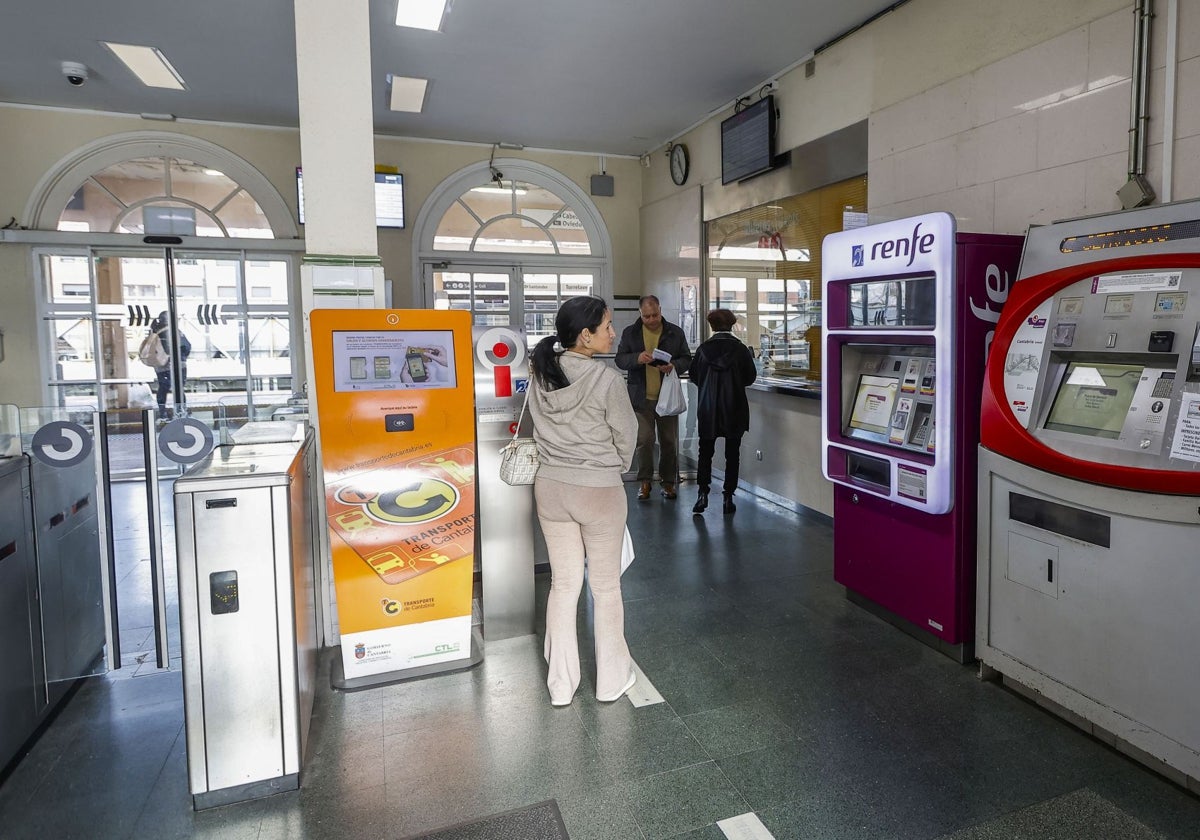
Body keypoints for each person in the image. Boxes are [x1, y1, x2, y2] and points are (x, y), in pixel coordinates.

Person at [528, 295, 638, 707]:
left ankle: (561, 686)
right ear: (585, 335)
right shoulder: (607, 380)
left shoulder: (540, 374)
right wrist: (611, 467)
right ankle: (611, 682)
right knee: (606, 588)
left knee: (564, 584)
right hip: (598, 491)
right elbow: (627, 437)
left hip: (550, 489)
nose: (613, 333)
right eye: (607, 326)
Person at [615, 294, 692, 500]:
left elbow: (687, 358)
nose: (651, 320)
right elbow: (620, 360)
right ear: (640, 314)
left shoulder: (675, 332)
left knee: (668, 441)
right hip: (641, 397)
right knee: (644, 440)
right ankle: (645, 482)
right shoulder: (630, 333)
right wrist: (637, 358)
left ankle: (668, 483)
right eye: (646, 316)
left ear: (660, 310)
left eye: (654, 315)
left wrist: (674, 366)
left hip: (667, 398)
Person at [689, 309, 757, 516]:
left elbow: (694, 376)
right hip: (734, 406)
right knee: (732, 454)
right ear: (732, 325)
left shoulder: (703, 350)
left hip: (708, 407)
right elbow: (750, 377)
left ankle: (703, 493)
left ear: (711, 326)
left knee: (705, 452)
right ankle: (728, 496)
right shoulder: (741, 350)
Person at [149, 311, 191, 418]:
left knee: (163, 388)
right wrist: (182, 357)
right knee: (179, 388)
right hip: (179, 365)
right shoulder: (176, 332)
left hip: (162, 366)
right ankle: (181, 410)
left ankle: (162, 411)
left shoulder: (156, 332)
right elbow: (187, 346)